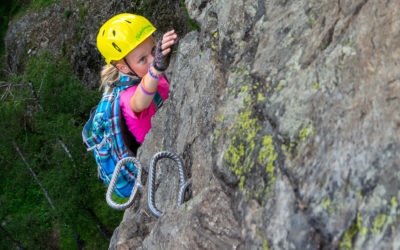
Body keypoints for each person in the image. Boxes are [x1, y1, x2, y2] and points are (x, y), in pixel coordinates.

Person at [97, 13, 177, 148]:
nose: (152, 59)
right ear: (123, 68)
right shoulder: (127, 95)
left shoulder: (144, 72)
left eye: (153, 50)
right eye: (142, 59)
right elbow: (139, 103)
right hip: (158, 150)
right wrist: (155, 69)